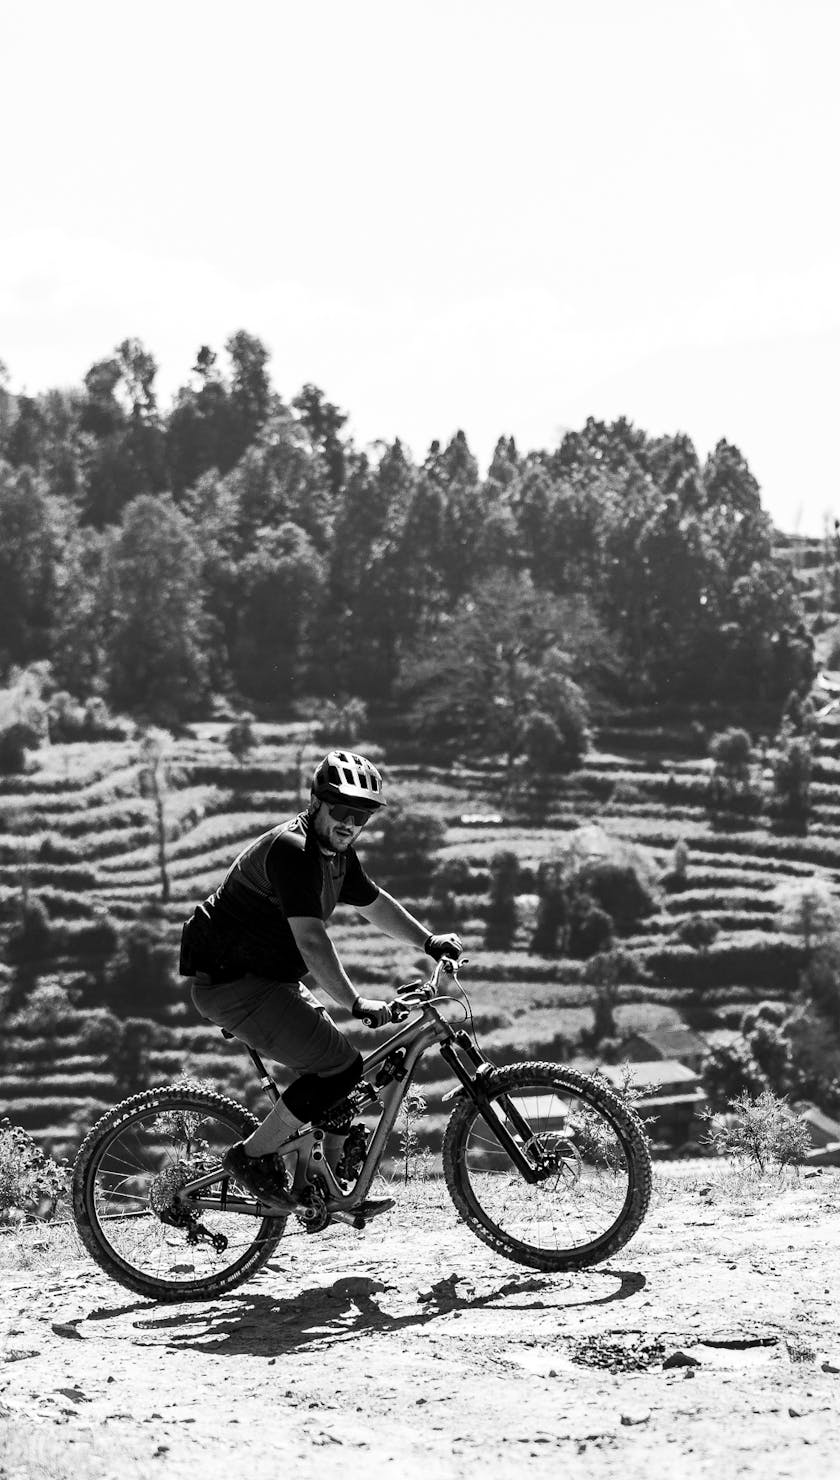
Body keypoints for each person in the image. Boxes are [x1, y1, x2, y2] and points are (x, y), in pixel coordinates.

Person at [179, 748, 461, 1214]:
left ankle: (324, 1190)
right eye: (343, 811)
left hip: (269, 979)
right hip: (233, 982)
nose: (351, 823)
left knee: (341, 1076)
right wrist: (354, 1002)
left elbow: (375, 903)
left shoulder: (336, 855)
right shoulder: (294, 852)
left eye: (363, 816)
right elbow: (311, 941)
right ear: (316, 803)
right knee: (340, 1068)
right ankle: (249, 1157)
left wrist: (428, 941)